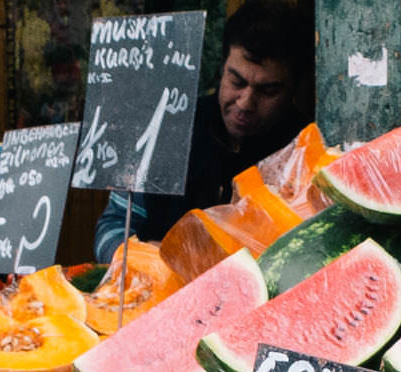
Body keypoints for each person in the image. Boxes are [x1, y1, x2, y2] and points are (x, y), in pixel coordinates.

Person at [92, 1, 310, 262]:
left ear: (294, 91)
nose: (245, 103)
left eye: (268, 91)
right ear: (222, 69)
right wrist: (137, 257)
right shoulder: (165, 127)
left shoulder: (304, 153)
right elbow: (114, 224)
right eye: (236, 82)